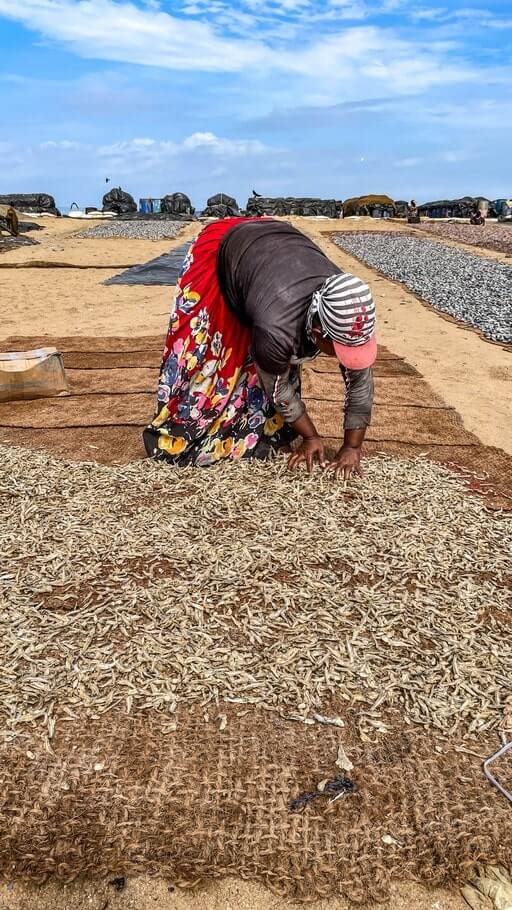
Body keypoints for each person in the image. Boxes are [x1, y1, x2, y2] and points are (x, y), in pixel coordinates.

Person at [143, 217, 376, 479]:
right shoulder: (277, 326)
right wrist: (310, 436)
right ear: (317, 332)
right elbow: (278, 389)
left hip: (276, 251)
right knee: (210, 369)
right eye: (339, 348)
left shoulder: (350, 307)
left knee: (269, 361)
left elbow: (360, 382)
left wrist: (352, 446)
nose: (346, 356)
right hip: (223, 249)